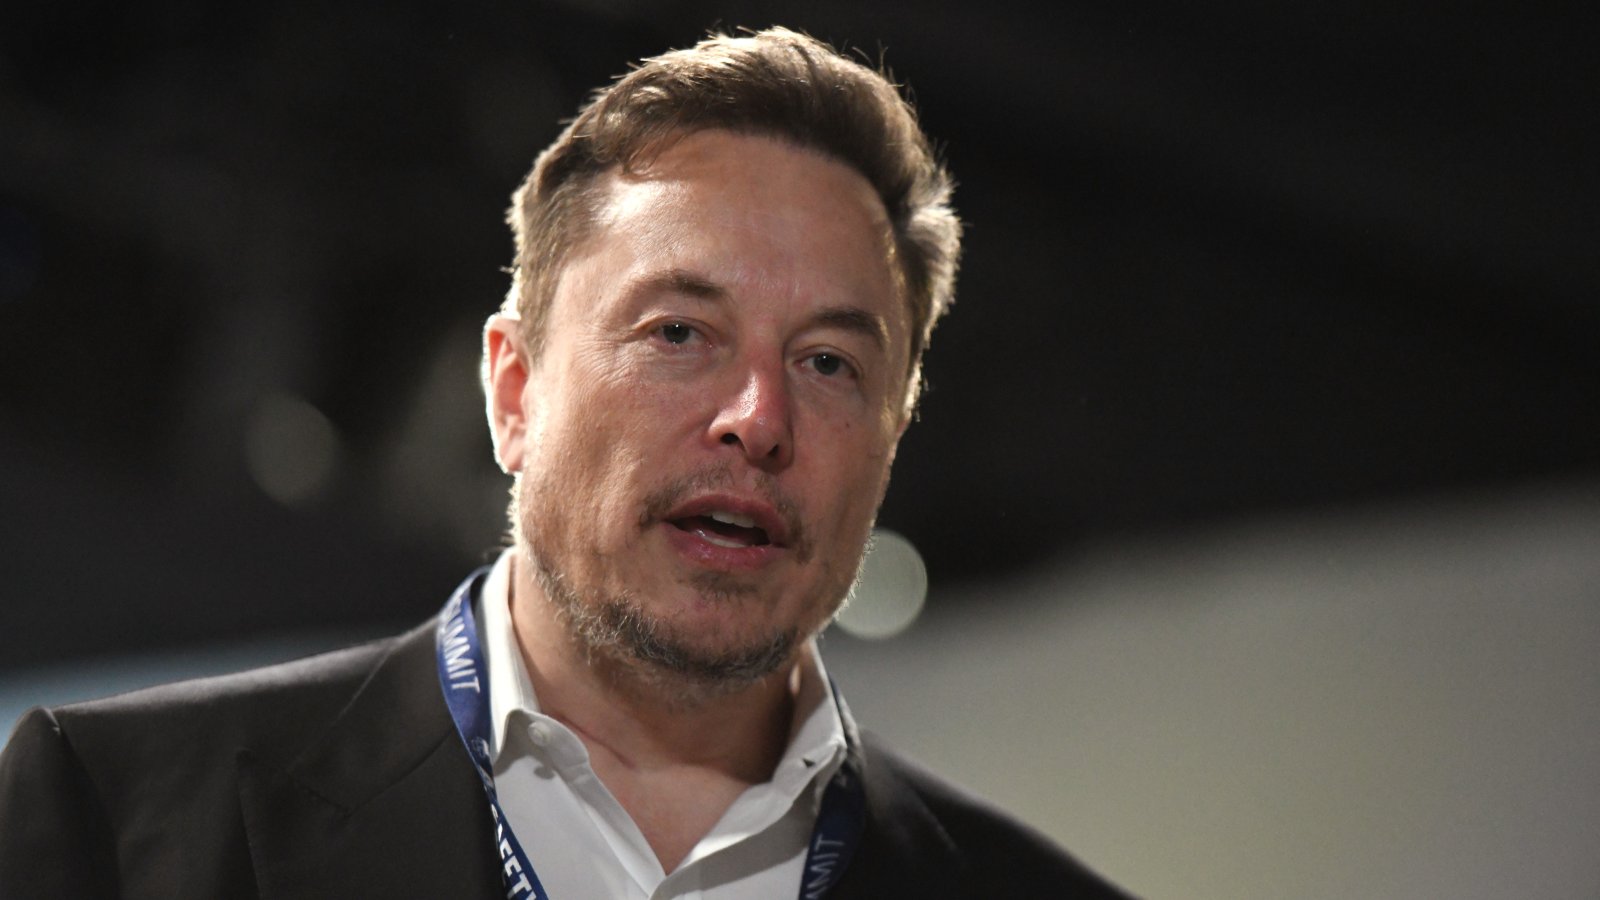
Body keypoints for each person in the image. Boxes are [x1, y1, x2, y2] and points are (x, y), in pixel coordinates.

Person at [0, 28, 1132, 899]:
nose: (758, 418)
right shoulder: (123, 824)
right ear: (514, 393)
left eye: (829, 363)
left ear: (889, 444)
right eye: (679, 332)